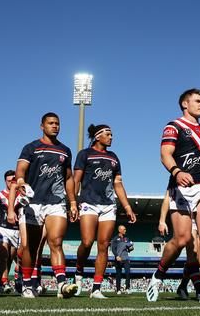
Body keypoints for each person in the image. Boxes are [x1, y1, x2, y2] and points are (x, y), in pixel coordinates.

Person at [147, 88, 200, 303]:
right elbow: (165, 154)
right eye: (198, 101)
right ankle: (158, 274)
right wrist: (177, 172)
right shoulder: (173, 126)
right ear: (185, 104)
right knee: (182, 239)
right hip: (181, 187)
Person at [7, 112, 79, 299]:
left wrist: (72, 202)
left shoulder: (65, 150)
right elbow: (20, 170)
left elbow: (69, 178)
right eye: (50, 123)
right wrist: (22, 182)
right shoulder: (31, 147)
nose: (55, 126)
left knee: (56, 242)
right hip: (33, 203)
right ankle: (28, 285)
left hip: (55, 202)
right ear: (42, 126)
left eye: (57, 123)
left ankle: (62, 284)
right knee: (30, 246)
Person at [74, 123, 137, 299]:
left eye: (112, 134)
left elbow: (118, 183)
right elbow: (76, 180)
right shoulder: (84, 154)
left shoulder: (114, 157)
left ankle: (96, 288)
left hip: (108, 205)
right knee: (87, 242)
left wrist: (127, 207)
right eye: (108, 134)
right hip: (89, 203)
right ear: (97, 136)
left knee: (103, 246)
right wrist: (73, 202)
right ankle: (78, 273)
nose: (111, 137)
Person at [111, 225, 134, 294]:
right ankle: (118, 290)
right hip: (118, 259)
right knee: (118, 274)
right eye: (124, 229)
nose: (125, 230)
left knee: (128, 273)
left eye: (125, 229)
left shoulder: (127, 238)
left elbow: (129, 248)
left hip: (126, 258)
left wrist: (131, 249)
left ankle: (127, 288)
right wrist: (117, 256)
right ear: (119, 230)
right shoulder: (115, 239)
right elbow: (113, 249)